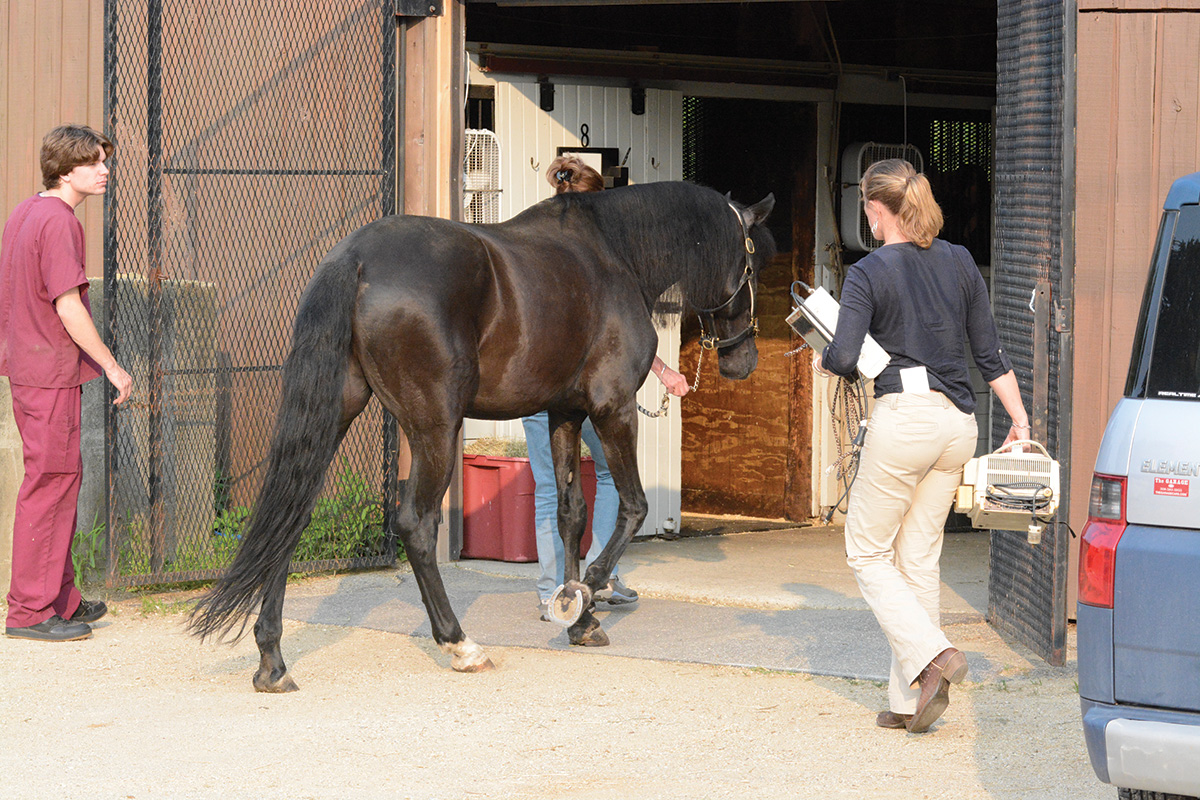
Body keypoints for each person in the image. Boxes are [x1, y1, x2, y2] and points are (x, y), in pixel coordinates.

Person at [813, 158, 1030, 733]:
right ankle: (911, 702)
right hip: (958, 425)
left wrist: (822, 353)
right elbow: (989, 354)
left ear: (876, 208)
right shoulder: (959, 260)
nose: (867, 216)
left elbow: (843, 357)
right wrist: (1021, 422)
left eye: (866, 206)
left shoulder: (868, 271)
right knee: (917, 559)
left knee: (866, 552)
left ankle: (934, 655)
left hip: (904, 419)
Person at [526, 156, 690, 621]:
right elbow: (611, 337)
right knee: (613, 476)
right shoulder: (596, 259)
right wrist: (661, 371)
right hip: (588, 389)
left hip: (535, 385)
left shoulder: (532, 246)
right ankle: (601, 572)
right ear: (598, 201)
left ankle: (550, 590)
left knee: (548, 488)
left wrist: (658, 368)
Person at [2, 124, 133, 642]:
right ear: (64, 169)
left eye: (106, 161)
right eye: (94, 163)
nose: (105, 171)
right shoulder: (57, 222)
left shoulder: (26, 212)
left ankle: (61, 598)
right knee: (50, 485)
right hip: (48, 373)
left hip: (32, 370)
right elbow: (68, 304)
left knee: (59, 481)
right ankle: (30, 612)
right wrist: (112, 365)